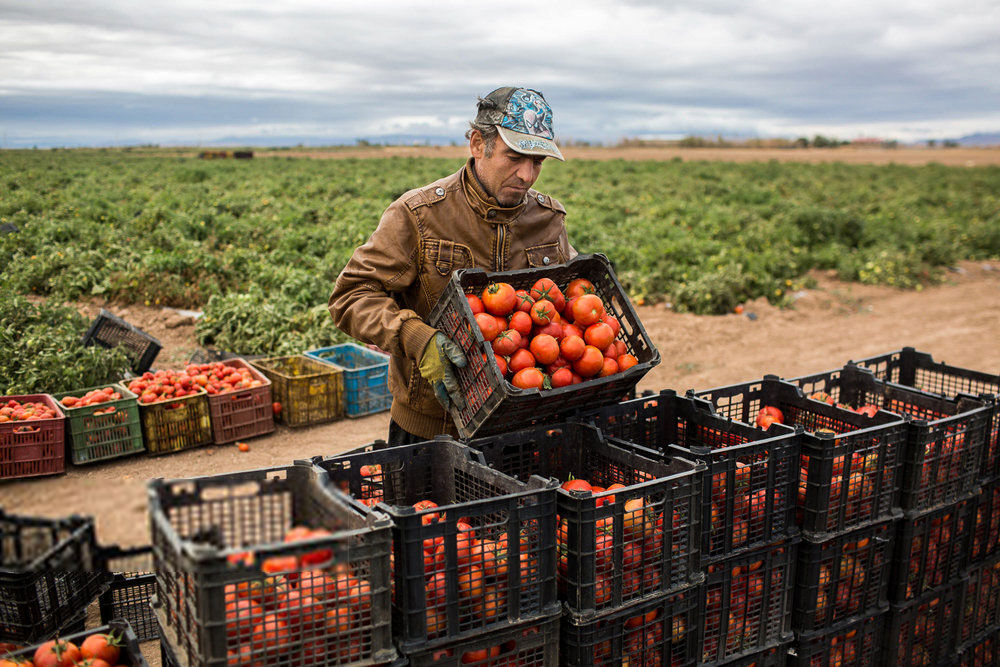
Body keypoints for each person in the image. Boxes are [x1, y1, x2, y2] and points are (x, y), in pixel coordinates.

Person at [328, 86, 575, 444]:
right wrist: (416, 337)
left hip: (525, 421)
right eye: (514, 157)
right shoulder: (420, 214)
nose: (526, 175)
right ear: (478, 144)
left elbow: (569, 307)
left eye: (537, 162)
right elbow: (351, 295)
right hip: (432, 426)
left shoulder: (548, 218)